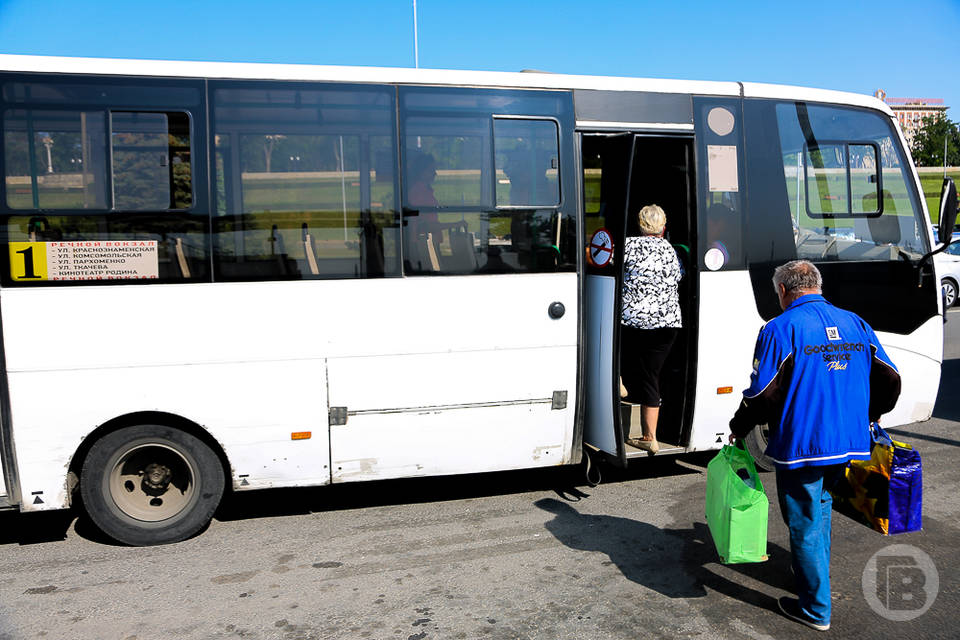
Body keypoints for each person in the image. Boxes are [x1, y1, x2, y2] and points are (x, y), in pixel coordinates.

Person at [728, 260, 901, 631]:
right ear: (817, 285)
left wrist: (738, 426)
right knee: (819, 512)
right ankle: (811, 580)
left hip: (803, 443)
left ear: (783, 291)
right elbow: (889, 377)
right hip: (848, 442)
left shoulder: (780, 328)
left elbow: (762, 395)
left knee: (804, 521)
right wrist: (873, 414)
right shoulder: (856, 322)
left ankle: (815, 609)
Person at [620, 204, 683, 454]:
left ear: (639, 225)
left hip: (634, 321)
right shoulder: (670, 249)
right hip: (667, 324)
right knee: (651, 376)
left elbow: (608, 268)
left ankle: (619, 379)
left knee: (617, 343)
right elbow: (678, 276)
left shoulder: (628, 246)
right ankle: (650, 437)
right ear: (663, 227)